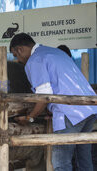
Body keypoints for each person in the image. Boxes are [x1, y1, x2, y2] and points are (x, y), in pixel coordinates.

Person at [9, 33, 97, 171]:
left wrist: (29, 117)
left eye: (16, 55)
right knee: (83, 158)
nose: (18, 60)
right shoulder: (55, 52)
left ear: (19, 49)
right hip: (90, 109)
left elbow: (45, 96)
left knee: (61, 163)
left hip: (70, 113)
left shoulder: (35, 60)